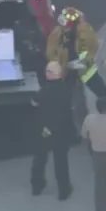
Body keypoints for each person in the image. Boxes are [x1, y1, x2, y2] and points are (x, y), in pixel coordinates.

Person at [31, 61, 75, 200]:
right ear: (60, 74)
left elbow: (34, 102)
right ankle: (63, 190)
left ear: (48, 75)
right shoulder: (67, 90)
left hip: (44, 130)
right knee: (61, 161)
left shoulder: (43, 91)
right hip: (61, 130)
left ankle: (37, 186)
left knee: (40, 158)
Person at [46, 7, 106, 98]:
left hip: (85, 69)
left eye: (66, 25)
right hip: (66, 71)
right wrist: (61, 64)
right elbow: (50, 53)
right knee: (65, 97)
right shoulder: (56, 34)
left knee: (102, 91)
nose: (64, 28)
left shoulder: (84, 31)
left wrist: (85, 60)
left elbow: (93, 46)